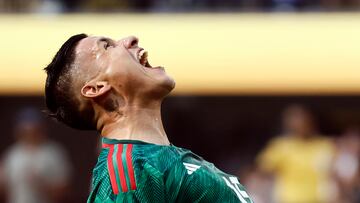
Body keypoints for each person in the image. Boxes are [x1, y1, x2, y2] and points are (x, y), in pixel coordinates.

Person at [43, 34, 253, 203]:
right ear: (97, 88)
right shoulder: (129, 170)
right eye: (107, 47)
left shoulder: (154, 159)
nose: (131, 39)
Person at [256, 104, 337, 203]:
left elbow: (339, 171)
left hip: (319, 199)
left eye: (303, 121)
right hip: (289, 199)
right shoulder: (280, 146)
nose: (300, 125)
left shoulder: (325, 145)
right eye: (295, 121)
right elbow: (262, 170)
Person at [1, 108, 71, 203]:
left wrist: (41, 185)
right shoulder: (12, 154)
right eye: (25, 130)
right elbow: (4, 189)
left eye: (33, 129)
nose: (30, 134)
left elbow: (64, 190)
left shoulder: (53, 153)